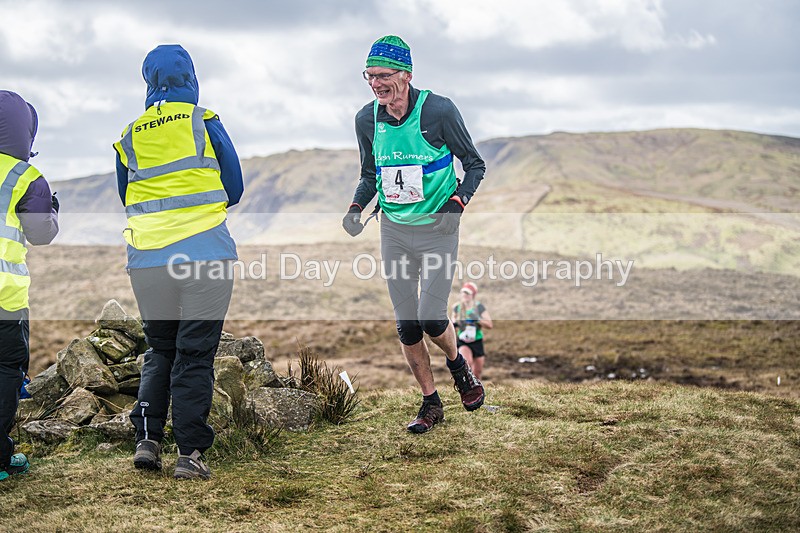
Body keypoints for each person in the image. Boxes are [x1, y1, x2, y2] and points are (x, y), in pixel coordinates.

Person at [342, 36, 487, 433]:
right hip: (394, 231)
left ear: (406, 74)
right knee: (407, 324)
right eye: (369, 76)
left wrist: (457, 203)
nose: (376, 84)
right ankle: (430, 403)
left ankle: (460, 368)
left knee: (430, 316)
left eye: (383, 76)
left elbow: (474, 164)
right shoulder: (366, 119)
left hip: (438, 230)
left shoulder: (438, 111)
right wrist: (356, 208)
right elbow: (370, 175)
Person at [113, 45, 244, 480]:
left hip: (147, 260)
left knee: (160, 348)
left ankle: (147, 441)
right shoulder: (204, 121)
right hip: (206, 254)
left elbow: (125, 196)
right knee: (195, 354)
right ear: (190, 75)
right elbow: (235, 187)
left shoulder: (129, 134)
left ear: (147, 81)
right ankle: (189, 454)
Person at [0, 90, 59, 481]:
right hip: (6, 298)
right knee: (5, 370)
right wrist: (51, 208)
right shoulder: (26, 177)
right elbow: (41, 235)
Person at [451, 282, 493, 379]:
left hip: (477, 341)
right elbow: (452, 323)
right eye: (463, 293)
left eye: (468, 293)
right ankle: (466, 388)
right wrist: (456, 323)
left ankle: (477, 391)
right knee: (467, 363)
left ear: (473, 295)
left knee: (477, 372)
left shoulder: (479, 307)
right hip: (463, 341)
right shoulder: (457, 307)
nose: (465, 295)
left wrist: (477, 319)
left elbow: (489, 324)